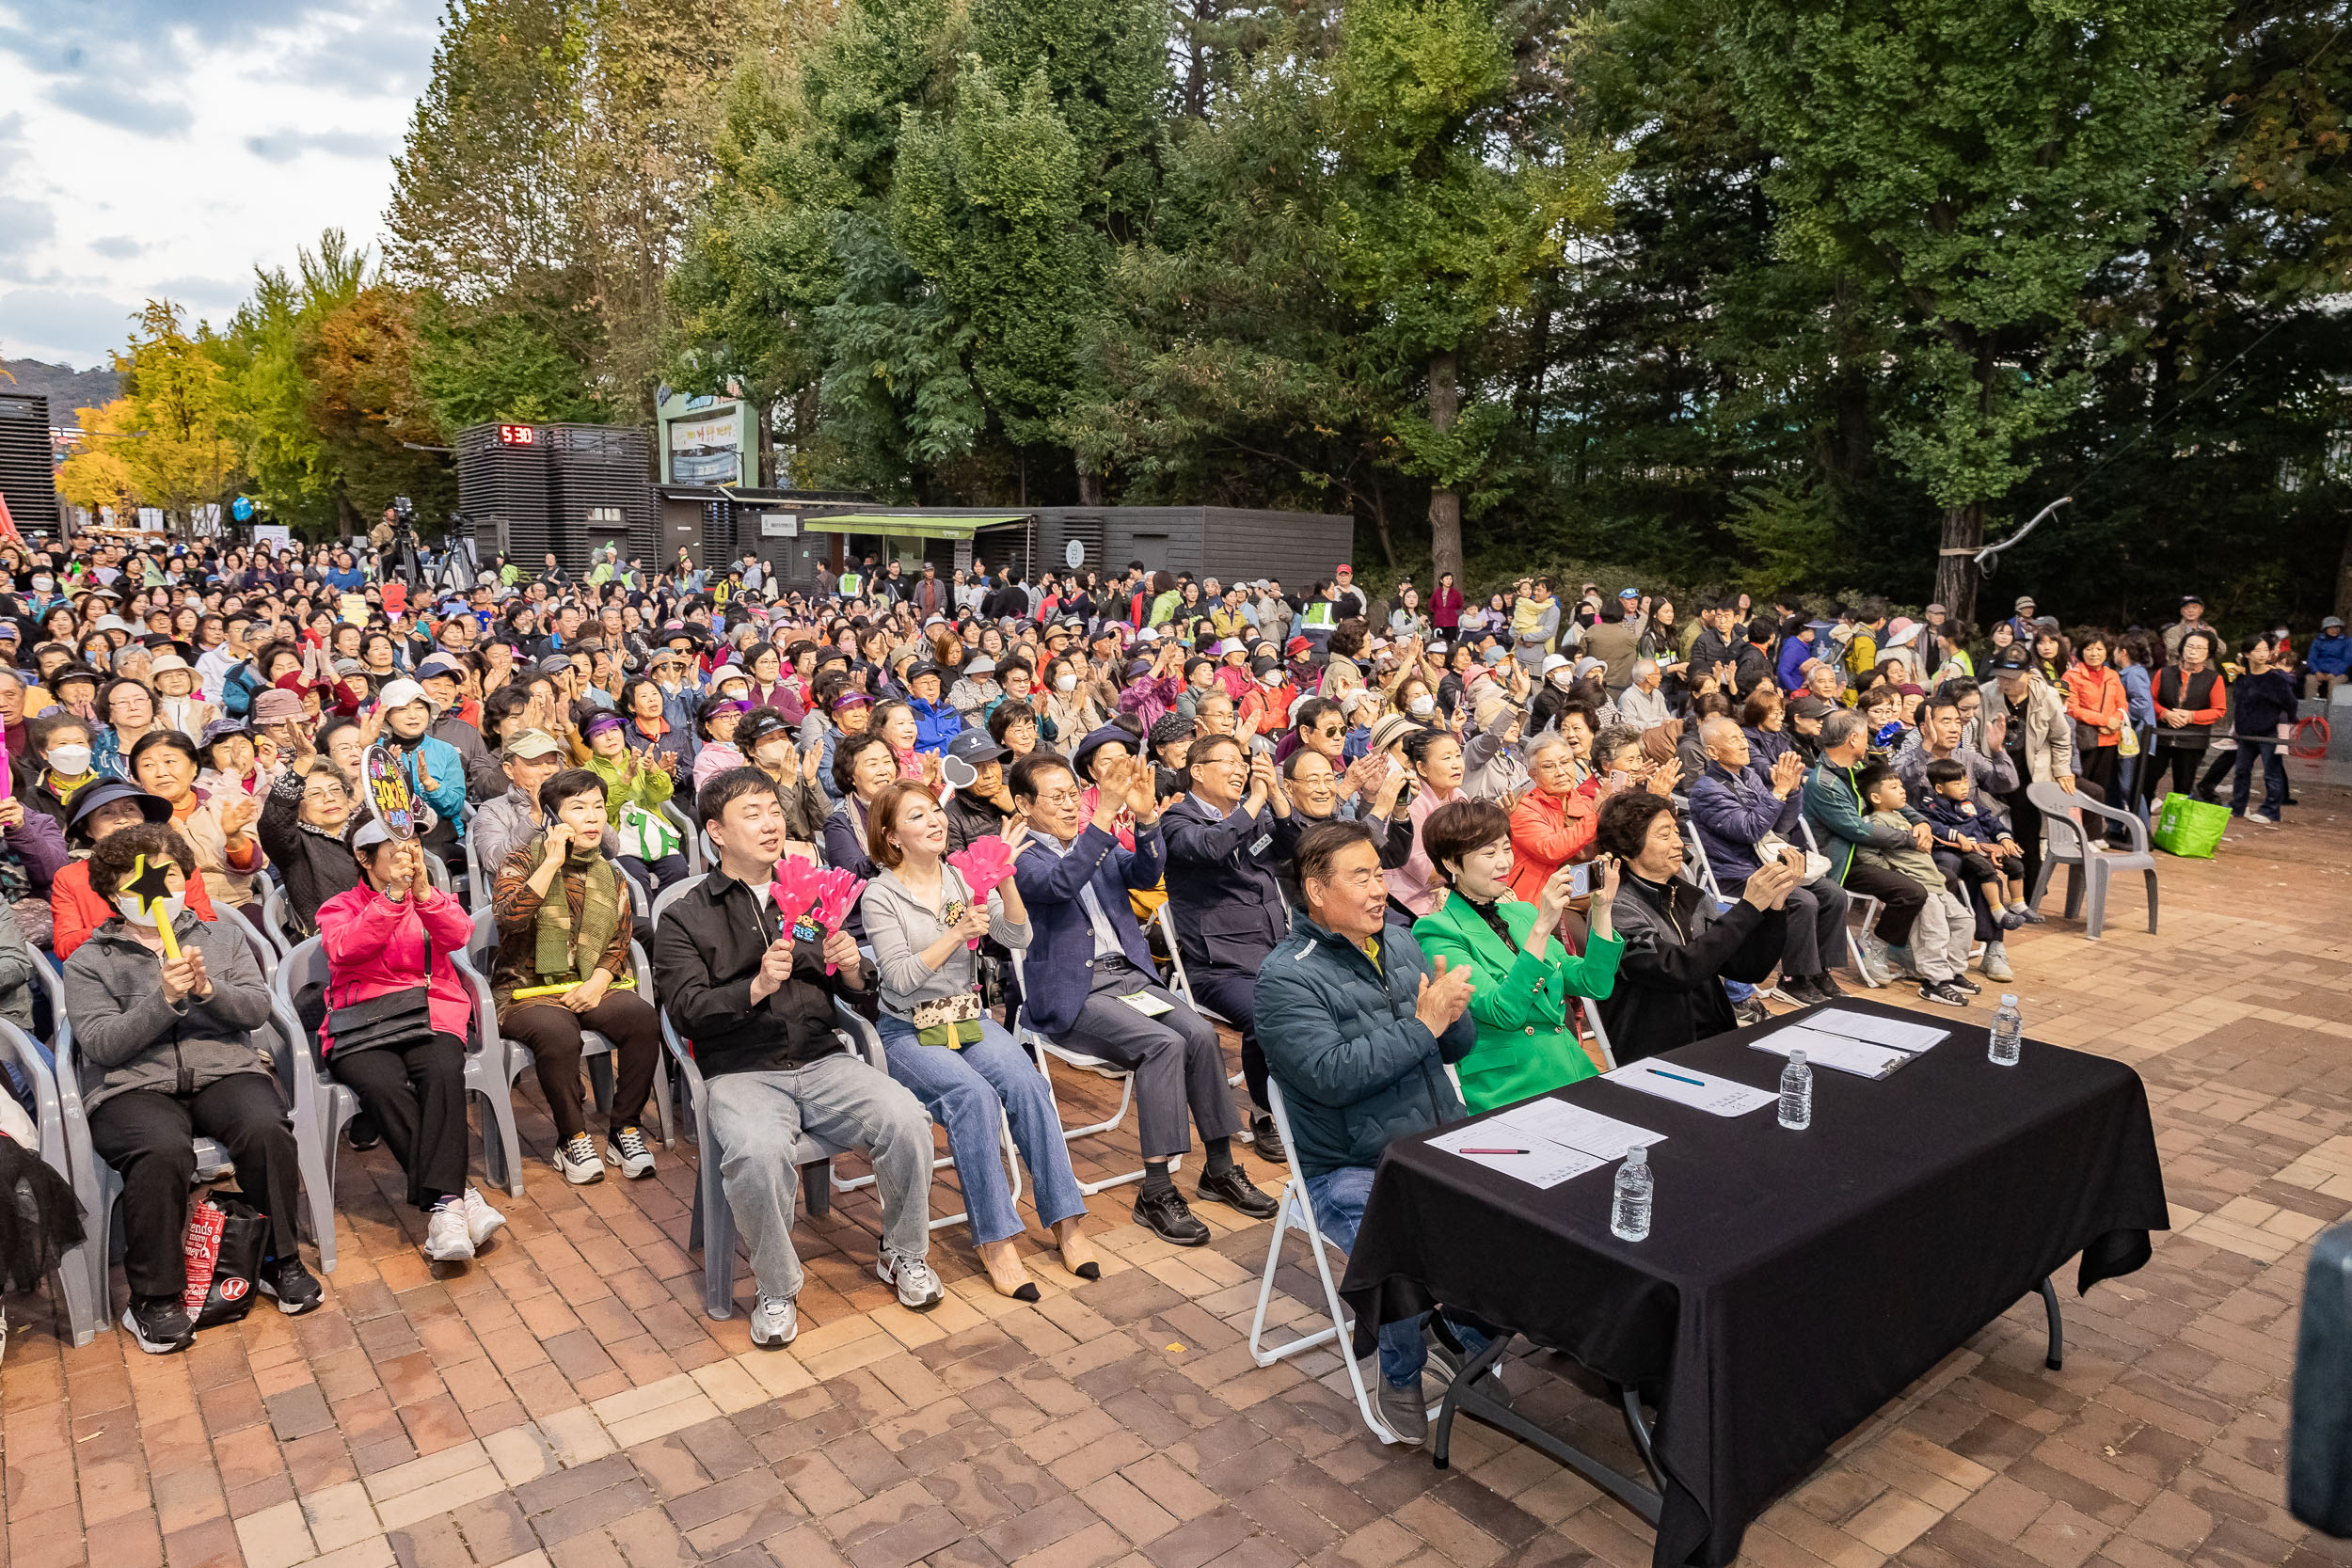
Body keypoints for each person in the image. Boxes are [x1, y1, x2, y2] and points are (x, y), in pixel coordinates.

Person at [653, 768, 945, 1345]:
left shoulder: (814, 894)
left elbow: (857, 993)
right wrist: (754, 989)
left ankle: (903, 1252)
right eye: (751, 814)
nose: (770, 824)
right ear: (715, 831)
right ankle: (777, 1286)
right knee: (758, 1151)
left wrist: (851, 963)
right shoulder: (685, 914)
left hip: (823, 1057)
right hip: (741, 1070)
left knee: (907, 1118)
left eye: (773, 809)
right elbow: (685, 1011)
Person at [1252, 819, 1484, 1444]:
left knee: (1509, 1208)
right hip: (1350, 1165)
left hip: (1434, 1138)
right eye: (1361, 877)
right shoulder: (1285, 978)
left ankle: (1471, 1335)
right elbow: (1331, 1075)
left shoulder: (1402, 942)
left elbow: (1449, 1046)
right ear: (1317, 891)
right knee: (1394, 1229)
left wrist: (1453, 1015)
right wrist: (1423, 1026)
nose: (1380, 889)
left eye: (1380, 874)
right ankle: (1401, 1366)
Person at [67, 822, 321, 1353]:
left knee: (265, 1126)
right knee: (160, 1151)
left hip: (222, 1070)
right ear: (113, 892)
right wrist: (160, 1001)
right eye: (140, 880)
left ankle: (281, 1259)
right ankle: (155, 1298)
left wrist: (207, 988)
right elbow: (101, 1045)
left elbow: (255, 1010)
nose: (160, 887)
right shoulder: (91, 961)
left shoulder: (221, 936)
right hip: (133, 1086)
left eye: (170, 874)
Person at [1009, 748, 1275, 1244]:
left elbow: (1145, 875)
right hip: (1074, 991)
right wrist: (1105, 814)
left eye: (1073, 795)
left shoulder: (1096, 840)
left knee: (1199, 1033)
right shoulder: (1020, 854)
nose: (1070, 806)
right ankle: (1156, 1189)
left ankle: (1219, 1166)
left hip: (1130, 978)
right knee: (1162, 1044)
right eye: (1056, 798)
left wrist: (1148, 818)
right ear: (1024, 805)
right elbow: (1062, 885)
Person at [857, 783, 1099, 1299]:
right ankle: (995, 1239)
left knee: (1028, 1085)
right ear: (892, 836)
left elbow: (1017, 938)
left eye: (934, 811)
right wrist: (954, 933)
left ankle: (1066, 1220)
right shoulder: (880, 894)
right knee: (974, 1097)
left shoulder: (961, 878)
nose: (934, 821)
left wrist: (1004, 877)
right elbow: (897, 978)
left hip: (968, 1017)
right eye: (916, 816)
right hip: (909, 1029)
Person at [318, 822, 506, 1262]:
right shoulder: (338, 906)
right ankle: (457, 1198)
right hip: (361, 1023)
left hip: (430, 1010)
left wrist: (422, 895)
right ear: (365, 859)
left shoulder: (428, 896)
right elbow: (344, 950)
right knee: (382, 1086)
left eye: (415, 848)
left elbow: (458, 935)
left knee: (442, 1070)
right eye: (396, 850)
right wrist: (391, 901)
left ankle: (445, 1207)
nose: (409, 858)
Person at [490, 768, 663, 1182]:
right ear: (552, 817)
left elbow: (620, 941)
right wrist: (550, 862)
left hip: (590, 984)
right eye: (578, 808)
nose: (592, 818)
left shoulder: (611, 872)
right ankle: (572, 1138)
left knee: (642, 1018)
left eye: (598, 807)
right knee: (557, 1032)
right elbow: (509, 919)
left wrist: (598, 982)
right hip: (525, 992)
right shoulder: (520, 860)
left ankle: (624, 1128)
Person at [1412, 800, 1623, 1109]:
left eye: (1506, 848)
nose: (1504, 862)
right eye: (1489, 852)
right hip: (1510, 1088)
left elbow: (1595, 983)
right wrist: (1543, 927)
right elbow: (1504, 1011)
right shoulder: (1436, 931)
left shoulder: (1522, 912)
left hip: (1570, 1069)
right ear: (1452, 864)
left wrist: (1602, 910)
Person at [1160, 733, 1294, 1165]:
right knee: (1268, 1013)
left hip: (1274, 947)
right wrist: (1254, 802)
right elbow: (1212, 847)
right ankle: (1265, 1113)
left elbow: (1295, 851)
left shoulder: (1252, 813)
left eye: (1244, 763)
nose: (1241, 770)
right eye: (1229, 763)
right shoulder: (1176, 821)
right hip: (1218, 965)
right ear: (1197, 772)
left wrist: (1275, 796)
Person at [1594, 790, 1794, 1060]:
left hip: (1714, 1039)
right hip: (1655, 1053)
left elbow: (1749, 968)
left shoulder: (1691, 896)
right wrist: (1747, 907)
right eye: (1665, 835)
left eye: (1677, 833)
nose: (1679, 844)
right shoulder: (1615, 908)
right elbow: (1677, 969)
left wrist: (1775, 906)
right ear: (1628, 850)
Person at [1686, 717, 1852, 1005]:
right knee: (1803, 901)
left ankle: (1820, 971)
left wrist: (1792, 790)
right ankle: (1793, 980)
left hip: (1768, 865)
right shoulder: (1707, 789)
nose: (1742, 743)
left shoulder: (1749, 776)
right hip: (1737, 874)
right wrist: (1778, 792)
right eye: (1733, 739)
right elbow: (1748, 829)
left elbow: (1782, 825)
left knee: (1833, 894)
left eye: (1742, 736)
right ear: (1712, 752)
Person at [1802, 709, 1930, 986]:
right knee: (1911, 892)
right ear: (1853, 739)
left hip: (1873, 852)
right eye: (1864, 736)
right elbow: (1857, 830)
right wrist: (1909, 840)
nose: (1867, 741)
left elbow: (1890, 794)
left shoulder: (1859, 768)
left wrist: (1920, 822)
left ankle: (1899, 946)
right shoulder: (1823, 783)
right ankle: (1874, 943)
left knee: (1946, 875)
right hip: (1844, 862)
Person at [1851, 766, 1979, 1006]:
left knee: (1964, 921)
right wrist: (1895, 872)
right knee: (1935, 932)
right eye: (1894, 788)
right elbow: (1868, 854)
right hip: (1921, 884)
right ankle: (1934, 982)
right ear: (1876, 797)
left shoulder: (1901, 815)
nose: (1902, 791)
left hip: (1935, 881)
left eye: (1901, 786)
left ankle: (1952, 973)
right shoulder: (1875, 821)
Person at [1979, 644, 2082, 906]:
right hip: (1993, 774)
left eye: (2012, 678)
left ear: (2029, 673)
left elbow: (2061, 738)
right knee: (1989, 834)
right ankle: (1990, 897)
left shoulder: (2046, 695)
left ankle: (2032, 895)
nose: (2005, 682)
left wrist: (2062, 770)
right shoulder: (1985, 694)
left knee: (2028, 838)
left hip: (2030, 776)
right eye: (2000, 676)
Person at [258, 756, 363, 932]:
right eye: (314, 793)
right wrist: (302, 763)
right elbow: (273, 824)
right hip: (329, 942)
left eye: (336, 789)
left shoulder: (368, 831)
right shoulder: (293, 845)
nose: (329, 798)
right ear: (296, 807)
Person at [2227, 634, 2297, 825]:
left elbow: (2291, 703)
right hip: (2245, 732)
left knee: (2271, 773)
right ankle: (2237, 806)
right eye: (2257, 650)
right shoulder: (2241, 677)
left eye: (2265, 650)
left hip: (2269, 732)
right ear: (2246, 654)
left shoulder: (2276, 677)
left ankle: (2271, 811)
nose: (2262, 654)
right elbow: (2238, 702)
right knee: (2241, 771)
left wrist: (2286, 723)